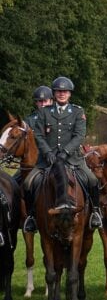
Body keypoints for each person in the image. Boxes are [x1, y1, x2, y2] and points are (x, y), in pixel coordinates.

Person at [27, 77, 103, 230]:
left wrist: (66, 152)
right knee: (28, 183)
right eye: (58, 91)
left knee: (93, 180)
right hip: (47, 160)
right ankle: (31, 217)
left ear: (69, 94)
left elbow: (79, 135)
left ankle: (95, 212)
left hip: (72, 159)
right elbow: (38, 135)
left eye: (65, 91)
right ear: (54, 94)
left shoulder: (77, 111)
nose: (62, 94)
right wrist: (47, 152)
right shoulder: (44, 112)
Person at [16, 86, 53, 233]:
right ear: (36, 103)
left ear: (51, 101)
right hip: (33, 162)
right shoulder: (29, 121)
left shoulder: (57, 118)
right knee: (13, 183)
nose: (42, 104)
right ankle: (20, 216)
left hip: (53, 159)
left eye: (45, 101)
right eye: (39, 101)